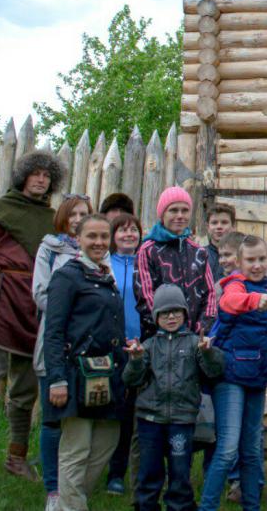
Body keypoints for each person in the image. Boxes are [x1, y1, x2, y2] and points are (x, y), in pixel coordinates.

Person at [0, 149, 64, 485]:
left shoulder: (53, 221)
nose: (41, 180)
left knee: (25, 390)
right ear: (22, 176)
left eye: (46, 176)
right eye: (35, 173)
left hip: (35, 308)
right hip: (1, 304)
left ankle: (16, 459)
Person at [44, 214, 126, 511]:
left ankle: (67, 501)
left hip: (108, 376)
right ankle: (70, 506)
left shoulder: (107, 275)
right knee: (76, 449)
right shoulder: (67, 276)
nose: (99, 242)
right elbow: (52, 332)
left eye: (104, 236)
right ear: (77, 238)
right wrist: (57, 378)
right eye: (92, 236)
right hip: (75, 374)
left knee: (107, 442)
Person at [122, 283, 224, 511]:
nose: (171, 317)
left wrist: (208, 352)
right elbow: (131, 380)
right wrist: (136, 361)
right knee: (149, 470)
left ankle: (180, 505)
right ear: (156, 316)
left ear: (185, 314)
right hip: (150, 420)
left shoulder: (194, 344)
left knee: (180, 471)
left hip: (182, 420)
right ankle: (146, 505)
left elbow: (215, 371)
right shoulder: (148, 346)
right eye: (165, 313)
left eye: (176, 312)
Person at [200, 236, 267, 511]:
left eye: (261, 259)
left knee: (252, 451)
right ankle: (207, 506)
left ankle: (252, 506)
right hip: (230, 376)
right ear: (240, 262)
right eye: (250, 260)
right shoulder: (236, 284)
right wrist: (255, 300)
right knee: (228, 449)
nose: (256, 265)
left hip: (256, 375)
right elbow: (230, 303)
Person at [33, 195, 90, 509]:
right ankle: (53, 489)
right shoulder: (50, 250)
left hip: (86, 347)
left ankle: (74, 485)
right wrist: (74, 309)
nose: (79, 219)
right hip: (54, 340)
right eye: (74, 214)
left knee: (80, 419)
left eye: (85, 214)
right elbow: (41, 293)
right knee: (53, 420)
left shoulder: (96, 250)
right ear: (63, 218)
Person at [134, 187, 216, 339]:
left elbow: (210, 294)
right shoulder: (148, 250)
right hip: (159, 340)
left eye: (185, 210)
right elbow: (145, 296)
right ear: (162, 214)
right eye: (173, 210)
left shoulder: (198, 252)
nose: (180, 216)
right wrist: (171, 328)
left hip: (194, 339)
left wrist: (199, 330)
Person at [106, 212, 144, 496]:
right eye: (123, 231)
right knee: (112, 412)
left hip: (139, 347)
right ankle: (108, 470)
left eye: (133, 230)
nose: (129, 235)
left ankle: (125, 473)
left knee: (131, 415)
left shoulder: (146, 264)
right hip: (111, 347)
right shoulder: (106, 265)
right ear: (112, 236)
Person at [203, 204, 236, 283]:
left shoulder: (242, 254)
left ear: (233, 226)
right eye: (214, 223)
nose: (219, 227)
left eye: (224, 222)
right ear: (208, 227)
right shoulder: (199, 255)